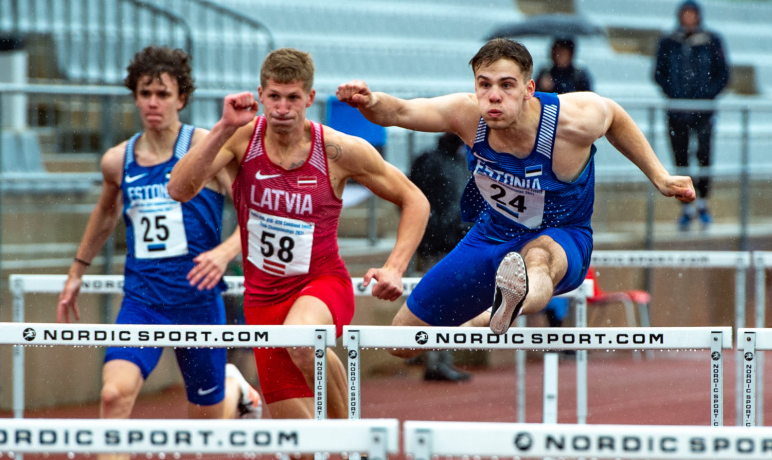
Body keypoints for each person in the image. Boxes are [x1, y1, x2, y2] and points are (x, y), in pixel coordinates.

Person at [336, 38, 695, 340]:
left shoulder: (570, 120)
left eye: (506, 85)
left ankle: (502, 306)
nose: (493, 96)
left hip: (561, 236)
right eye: (484, 84)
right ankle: (493, 308)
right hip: (491, 235)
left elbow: (613, 115)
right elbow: (399, 111)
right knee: (403, 338)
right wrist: (370, 101)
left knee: (537, 259)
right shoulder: (466, 114)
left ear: (528, 89)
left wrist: (660, 176)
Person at [167, 48, 429, 420]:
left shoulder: (338, 150)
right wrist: (223, 127)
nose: (282, 108)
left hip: (320, 285)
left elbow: (415, 199)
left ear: (309, 98)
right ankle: (251, 398)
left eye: (293, 98)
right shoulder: (240, 139)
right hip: (262, 300)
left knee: (303, 341)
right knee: (299, 447)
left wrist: (395, 267)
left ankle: (352, 441)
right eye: (274, 97)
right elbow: (178, 189)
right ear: (260, 95)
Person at [57, 46, 262, 447]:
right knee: (113, 395)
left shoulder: (207, 147)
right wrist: (76, 271)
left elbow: (254, 212)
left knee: (205, 432)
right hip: (143, 301)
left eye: (163, 94)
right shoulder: (118, 161)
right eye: (145, 93)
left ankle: (234, 389)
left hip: (198, 300)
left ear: (181, 98)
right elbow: (104, 214)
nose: (153, 103)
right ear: (134, 96)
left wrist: (225, 252)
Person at [654, 0, 729, 231]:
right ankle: (686, 208)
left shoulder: (711, 41)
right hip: (677, 111)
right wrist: (674, 93)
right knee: (680, 159)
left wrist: (706, 95)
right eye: (685, 14)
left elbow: (723, 75)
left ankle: (704, 204)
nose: (688, 19)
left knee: (705, 156)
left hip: (703, 112)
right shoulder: (669, 42)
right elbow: (658, 73)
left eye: (692, 14)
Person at [534, 36, 594, 328]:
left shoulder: (581, 77)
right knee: (545, 248)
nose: (561, 56)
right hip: (546, 157)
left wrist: (557, 95)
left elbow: (587, 112)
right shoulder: (543, 76)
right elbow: (532, 111)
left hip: (569, 155)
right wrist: (544, 91)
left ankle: (560, 319)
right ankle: (554, 318)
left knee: (560, 249)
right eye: (557, 51)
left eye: (565, 51)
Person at [409, 132, 473, 382]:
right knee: (437, 304)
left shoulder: (461, 162)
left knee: (447, 305)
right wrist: (433, 231)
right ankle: (433, 361)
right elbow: (413, 200)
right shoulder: (431, 161)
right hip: (436, 245)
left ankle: (437, 360)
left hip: (454, 243)